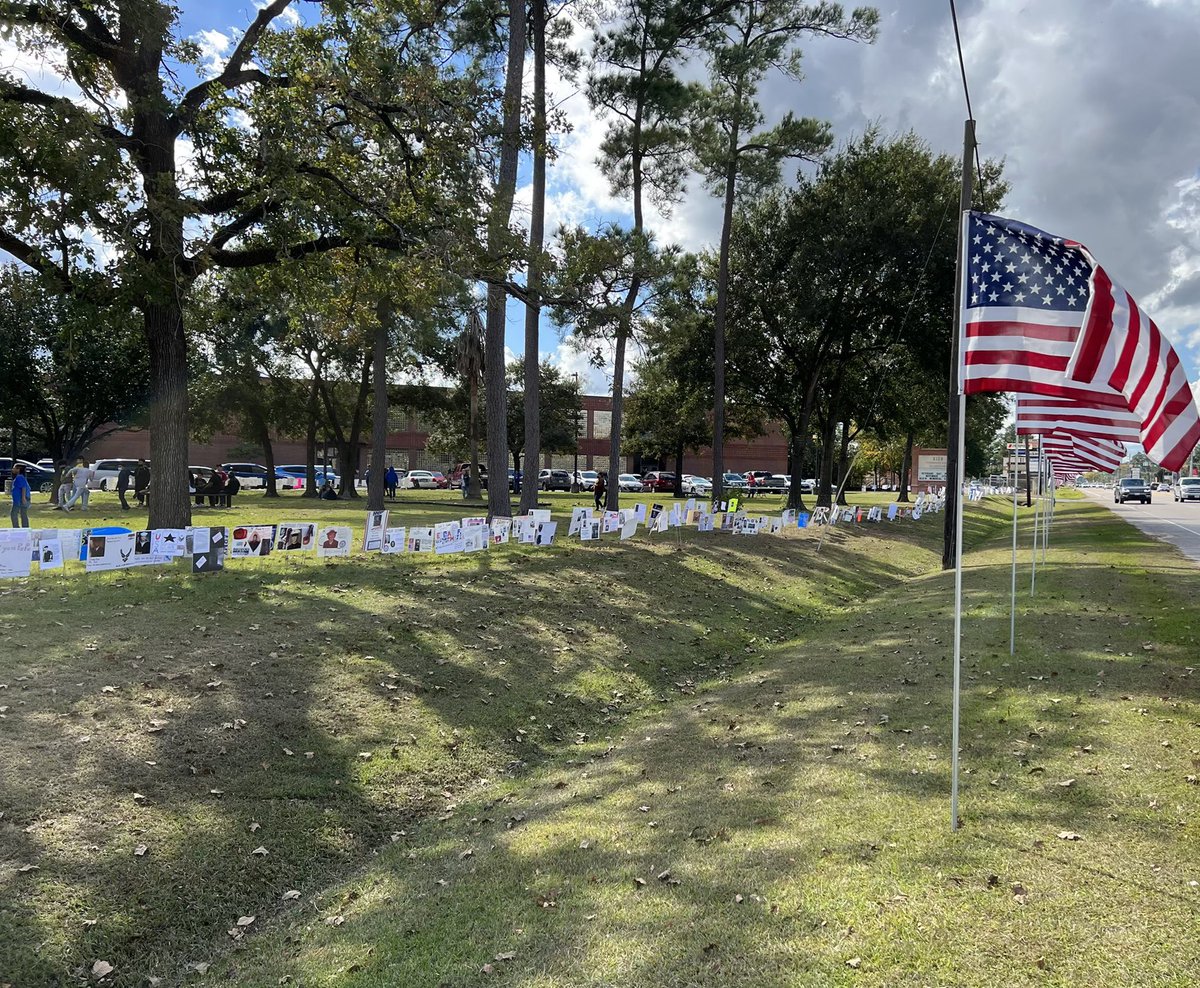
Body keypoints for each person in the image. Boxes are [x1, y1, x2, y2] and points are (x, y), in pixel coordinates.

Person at [9, 464, 31, 528]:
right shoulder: (20, 477)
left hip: (20, 499)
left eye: (14, 468)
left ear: (18, 470)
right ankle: (25, 527)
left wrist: (23, 498)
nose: (12, 469)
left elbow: (23, 488)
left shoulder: (19, 477)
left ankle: (16, 528)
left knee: (14, 514)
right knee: (23, 514)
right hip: (18, 499)